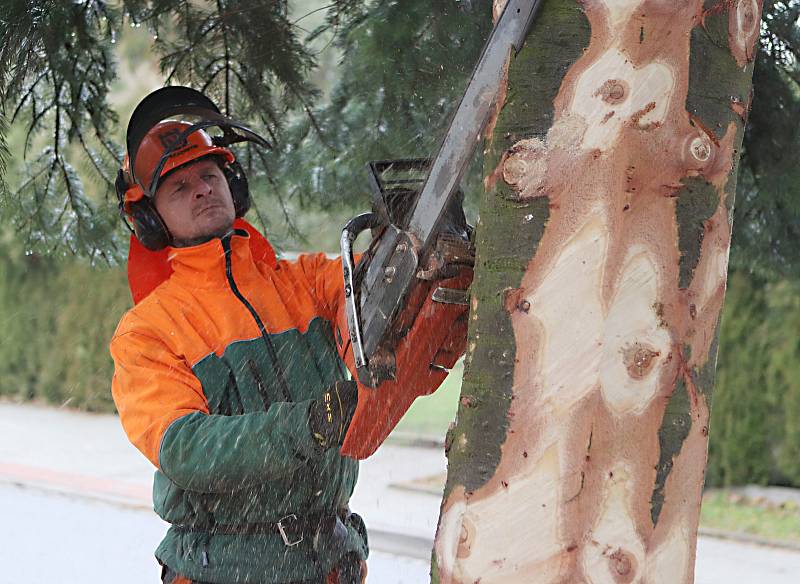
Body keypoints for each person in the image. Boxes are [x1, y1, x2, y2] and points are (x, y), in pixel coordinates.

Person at [110, 88, 471, 584]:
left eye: (209, 176)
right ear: (150, 219)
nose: (201, 189)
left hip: (328, 557)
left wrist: (418, 263)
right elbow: (185, 449)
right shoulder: (148, 330)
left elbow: (377, 308)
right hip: (222, 567)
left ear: (231, 184)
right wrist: (311, 425)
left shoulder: (302, 280)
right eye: (180, 187)